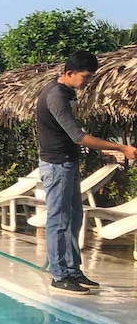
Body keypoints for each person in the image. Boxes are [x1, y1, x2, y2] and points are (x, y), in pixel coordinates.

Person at [36, 50, 137, 293]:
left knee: (73, 219)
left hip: (67, 164)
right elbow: (79, 137)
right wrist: (121, 147)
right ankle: (59, 275)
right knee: (59, 221)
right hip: (57, 165)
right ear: (69, 73)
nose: (88, 82)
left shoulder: (66, 92)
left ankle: (72, 271)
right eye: (86, 77)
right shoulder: (56, 95)